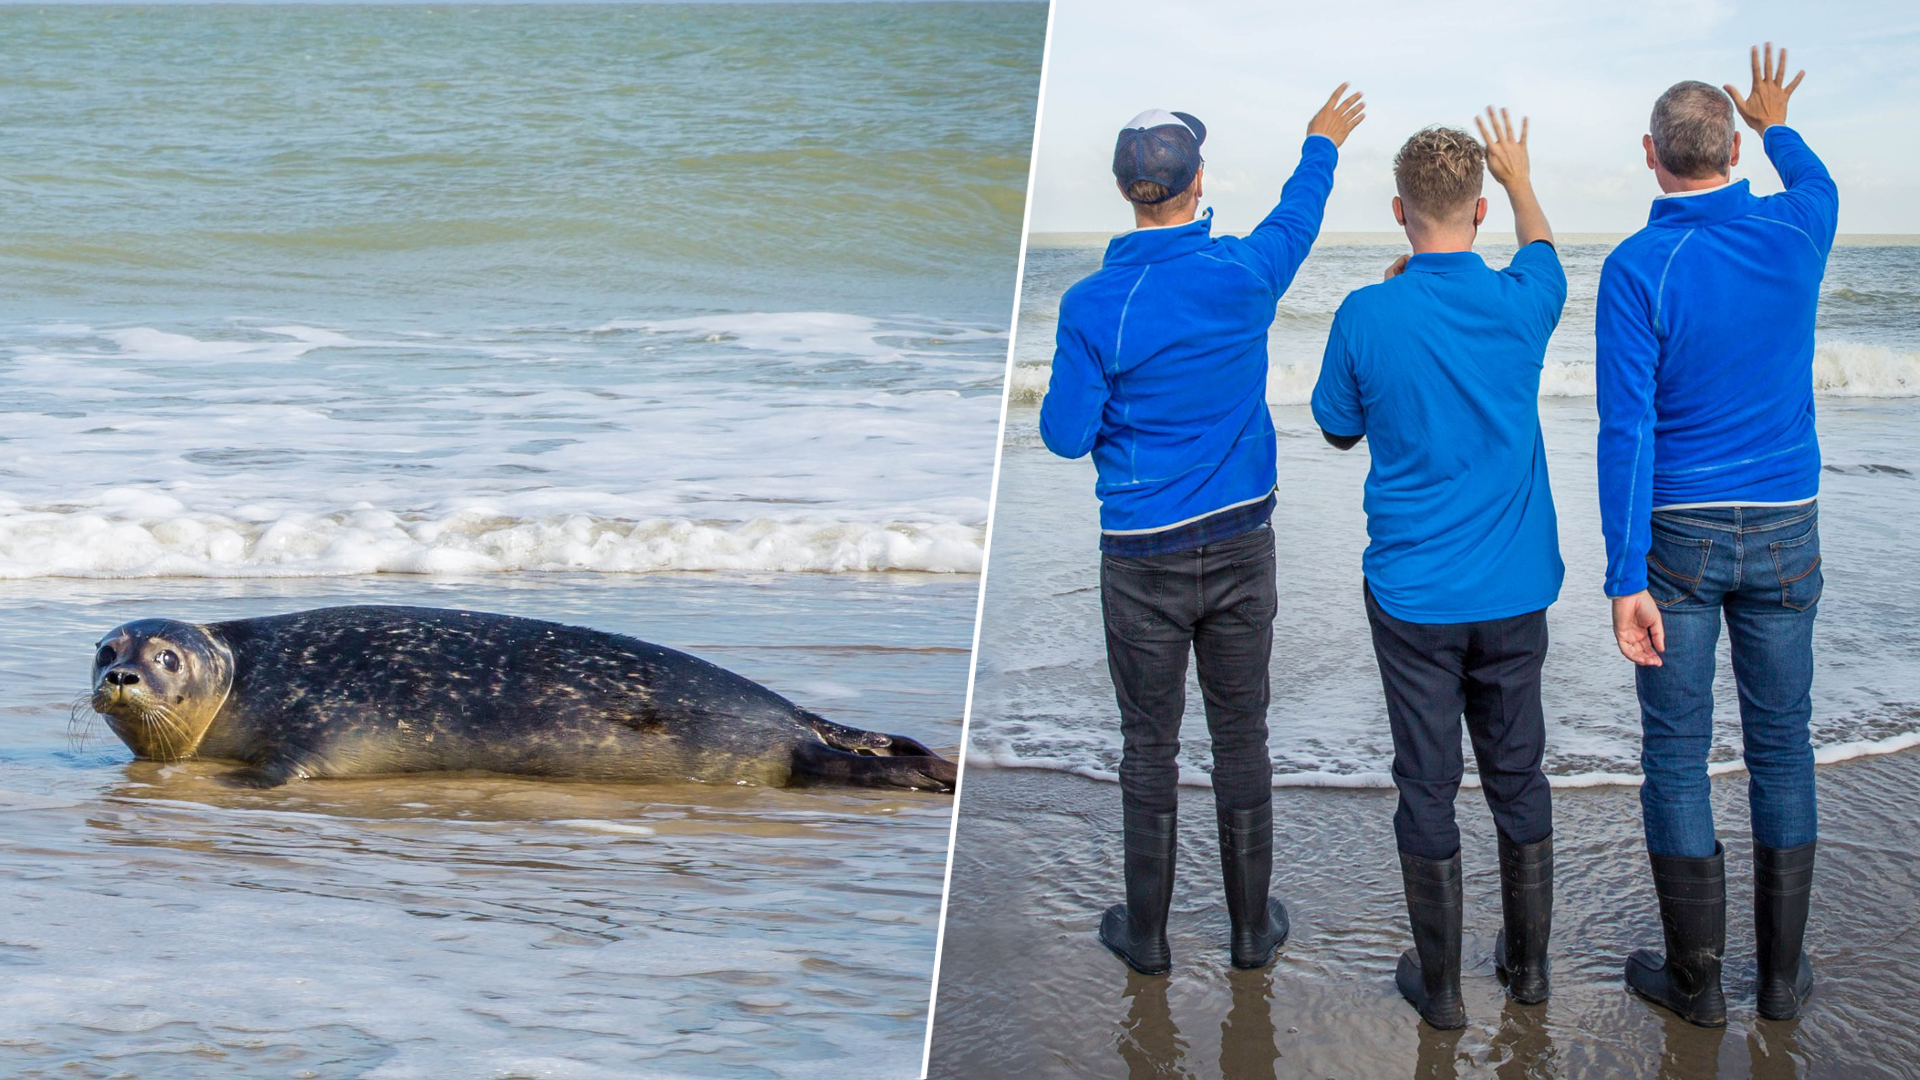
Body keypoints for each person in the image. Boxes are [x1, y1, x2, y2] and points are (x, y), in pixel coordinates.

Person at [1038, 85, 1366, 975]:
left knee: (1147, 745)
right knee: (1241, 738)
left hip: (1140, 555)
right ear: (1197, 183)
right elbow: (1299, 215)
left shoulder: (1090, 305)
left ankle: (1146, 940)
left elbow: (1065, 435)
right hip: (1238, 544)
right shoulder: (1243, 272)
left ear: (1122, 191)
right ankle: (1252, 933)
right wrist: (1320, 142)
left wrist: (1120, 417)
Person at [1310, 110, 1565, 1028]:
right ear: (1481, 209)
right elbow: (1544, 247)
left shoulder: (1367, 312)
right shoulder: (1526, 298)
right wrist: (1522, 175)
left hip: (1414, 593)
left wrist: (1394, 297)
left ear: (1399, 211)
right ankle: (1530, 974)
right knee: (1518, 775)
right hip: (1513, 587)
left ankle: (1446, 991)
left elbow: (1338, 427)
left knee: (1427, 782)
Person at [1598, 44, 1835, 1027]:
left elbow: (1627, 428)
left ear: (1650, 157)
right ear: (1733, 148)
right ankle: (1777, 984)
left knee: (1678, 757)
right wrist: (1776, 116)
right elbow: (1813, 175)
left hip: (1679, 541)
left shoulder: (1636, 265)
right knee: (1783, 749)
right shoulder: (1799, 225)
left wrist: (1621, 577)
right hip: (1786, 529)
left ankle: (1698, 988)